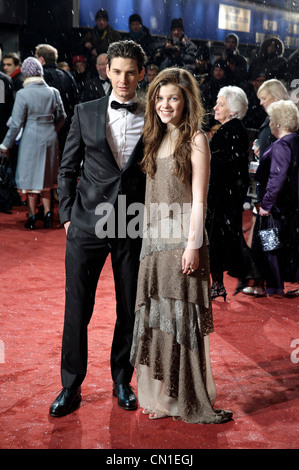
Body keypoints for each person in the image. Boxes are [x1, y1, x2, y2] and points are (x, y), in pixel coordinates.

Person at [49, 40, 147, 418]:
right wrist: (69, 215)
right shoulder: (84, 111)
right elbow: (67, 166)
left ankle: (122, 379)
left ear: (141, 73)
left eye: (130, 72)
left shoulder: (153, 116)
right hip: (87, 224)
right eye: (116, 71)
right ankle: (70, 385)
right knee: (77, 309)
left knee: (129, 308)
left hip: (132, 223)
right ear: (107, 71)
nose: (123, 79)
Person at [130, 67, 233, 424]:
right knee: (158, 320)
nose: (165, 104)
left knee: (181, 321)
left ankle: (184, 399)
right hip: (154, 243)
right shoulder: (154, 138)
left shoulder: (197, 140)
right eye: (159, 97)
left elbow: (200, 201)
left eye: (173, 97)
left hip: (182, 242)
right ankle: (161, 397)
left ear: (187, 100)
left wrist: (192, 246)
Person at [205, 86, 259, 300]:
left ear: (233, 111)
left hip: (221, 197)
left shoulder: (228, 132)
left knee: (218, 240)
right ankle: (230, 279)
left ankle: (230, 280)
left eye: (221, 104)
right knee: (226, 239)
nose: (215, 107)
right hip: (228, 195)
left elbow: (217, 170)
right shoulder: (234, 130)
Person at [0, 57, 66, 229]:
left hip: (30, 138)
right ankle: (48, 214)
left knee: (31, 180)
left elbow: (16, 124)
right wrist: (52, 130)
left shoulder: (23, 94)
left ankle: (31, 216)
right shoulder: (53, 92)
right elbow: (63, 117)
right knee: (46, 179)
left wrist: (5, 144)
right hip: (51, 138)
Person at [242, 79, 289, 296]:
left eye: (264, 98)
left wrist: (264, 154)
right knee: (266, 235)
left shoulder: (280, 125)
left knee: (267, 236)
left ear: (276, 97)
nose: (260, 103)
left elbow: (280, 164)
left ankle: (264, 282)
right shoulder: (275, 122)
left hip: (272, 192)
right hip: (270, 190)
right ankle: (267, 282)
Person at [252, 100, 299, 297]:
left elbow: (277, 176)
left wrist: (266, 204)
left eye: (271, 119)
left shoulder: (282, 145)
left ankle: (275, 287)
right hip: (291, 205)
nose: (269, 124)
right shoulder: (296, 140)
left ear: (278, 123)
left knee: (271, 245)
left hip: (278, 207)